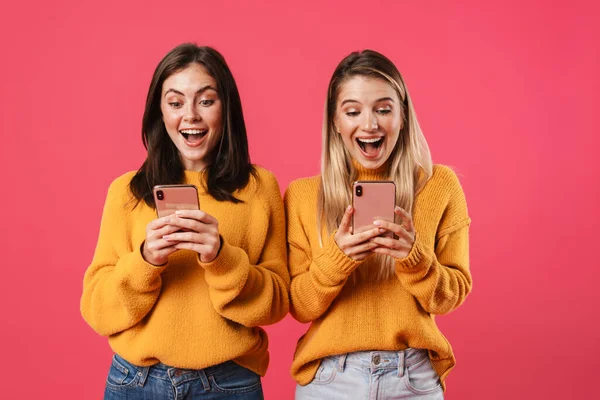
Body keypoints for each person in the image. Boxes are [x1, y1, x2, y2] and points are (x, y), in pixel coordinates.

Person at [81, 43, 289, 399]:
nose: (190, 115)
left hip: (228, 383)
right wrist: (146, 260)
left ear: (226, 109)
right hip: (136, 382)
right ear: (160, 113)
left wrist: (222, 259)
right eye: (176, 103)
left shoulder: (259, 188)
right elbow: (98, 311)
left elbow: (276, 304)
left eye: (206, 101)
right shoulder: (126, 192)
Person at [285, 50, 472, 399]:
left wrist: (414, 258)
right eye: (353, 111)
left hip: (412, 378)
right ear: (335, 122)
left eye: (383, 109)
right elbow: (298, 304)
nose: (369, 124)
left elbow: (451, 295)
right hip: (329, 381)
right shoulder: (302, 196)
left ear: (403, 117)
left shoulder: (439, 185)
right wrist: (337, 259)